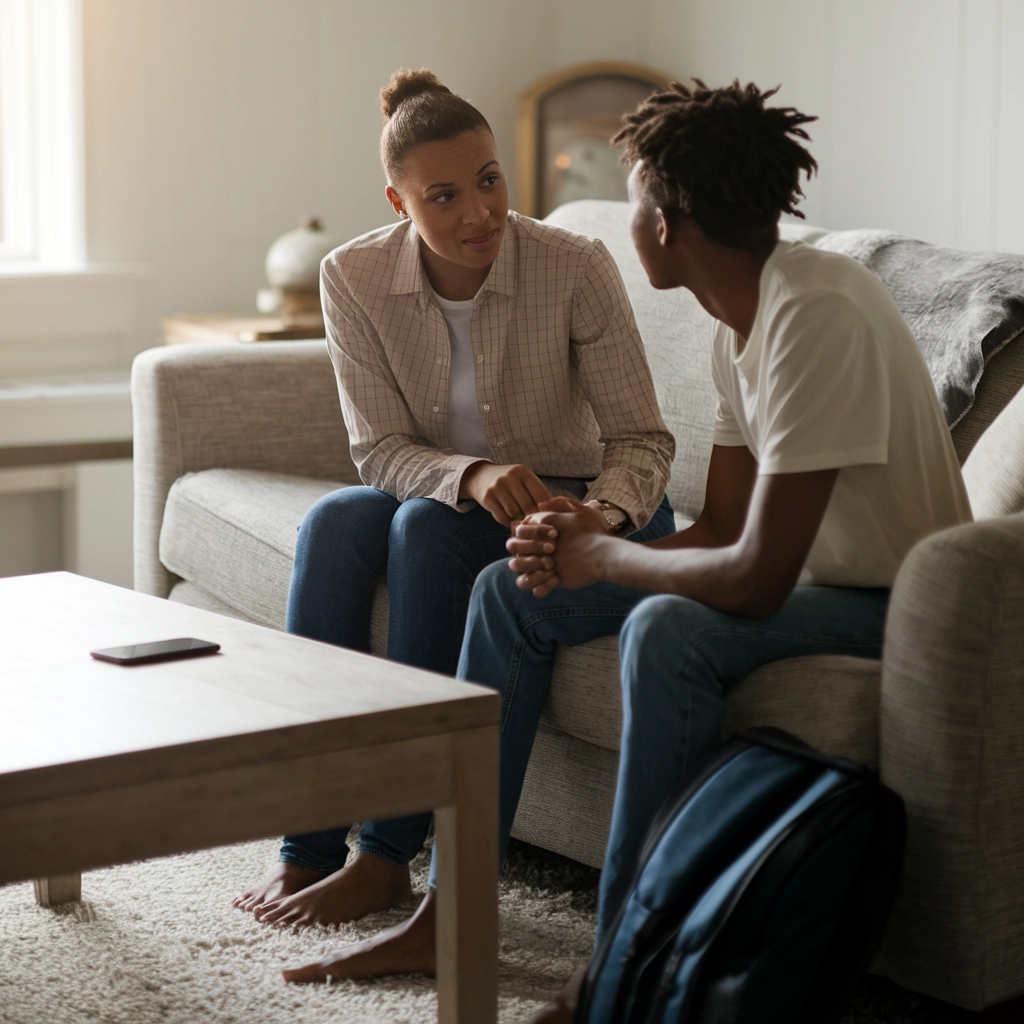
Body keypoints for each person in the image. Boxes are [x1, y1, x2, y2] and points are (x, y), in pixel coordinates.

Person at [280, 78, 973, 1014]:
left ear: (669, 220)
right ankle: (451, 904)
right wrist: (572, 548)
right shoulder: (742, 327)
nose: (626, 211)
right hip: (799, 576)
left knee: (667, 635)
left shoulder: (818, 313)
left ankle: (614, 964)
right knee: (502, 591)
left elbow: (758, 572)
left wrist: (599, 547)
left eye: (637, 192)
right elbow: (719, 528)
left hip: (893, 603)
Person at [232, 67, 675, 932]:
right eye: (444, 196)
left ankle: (388, 856)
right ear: (398, 202)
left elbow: (644, 441)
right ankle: (307, 847)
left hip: (591, 502)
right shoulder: (351, 277)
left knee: (426, 533)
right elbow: (378, 450)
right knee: (336, 523)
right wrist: (470, 475)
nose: (479, 213)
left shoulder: (573, 264)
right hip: (457, 497)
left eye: (489, 180)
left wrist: (600, 517)